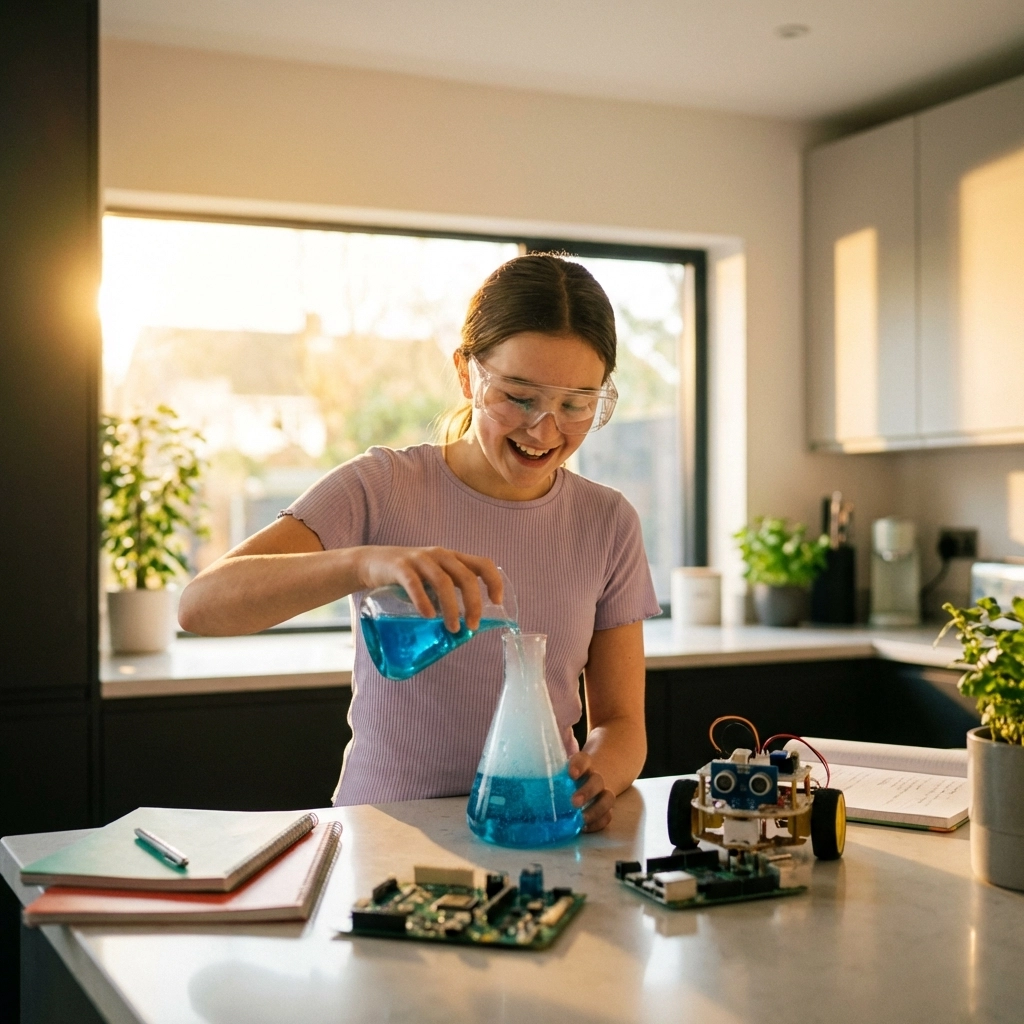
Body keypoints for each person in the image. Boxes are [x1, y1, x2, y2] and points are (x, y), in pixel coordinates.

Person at [178, 254, 660, 831]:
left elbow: (622, 722)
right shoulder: (380, 486)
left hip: (532, 827)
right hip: (383, 833)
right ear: (467, 374)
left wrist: (596, 778)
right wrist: (363, 563)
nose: (545, 429)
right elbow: (201, 606)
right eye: (520, 396)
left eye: (576, 404)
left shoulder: (607, 521)